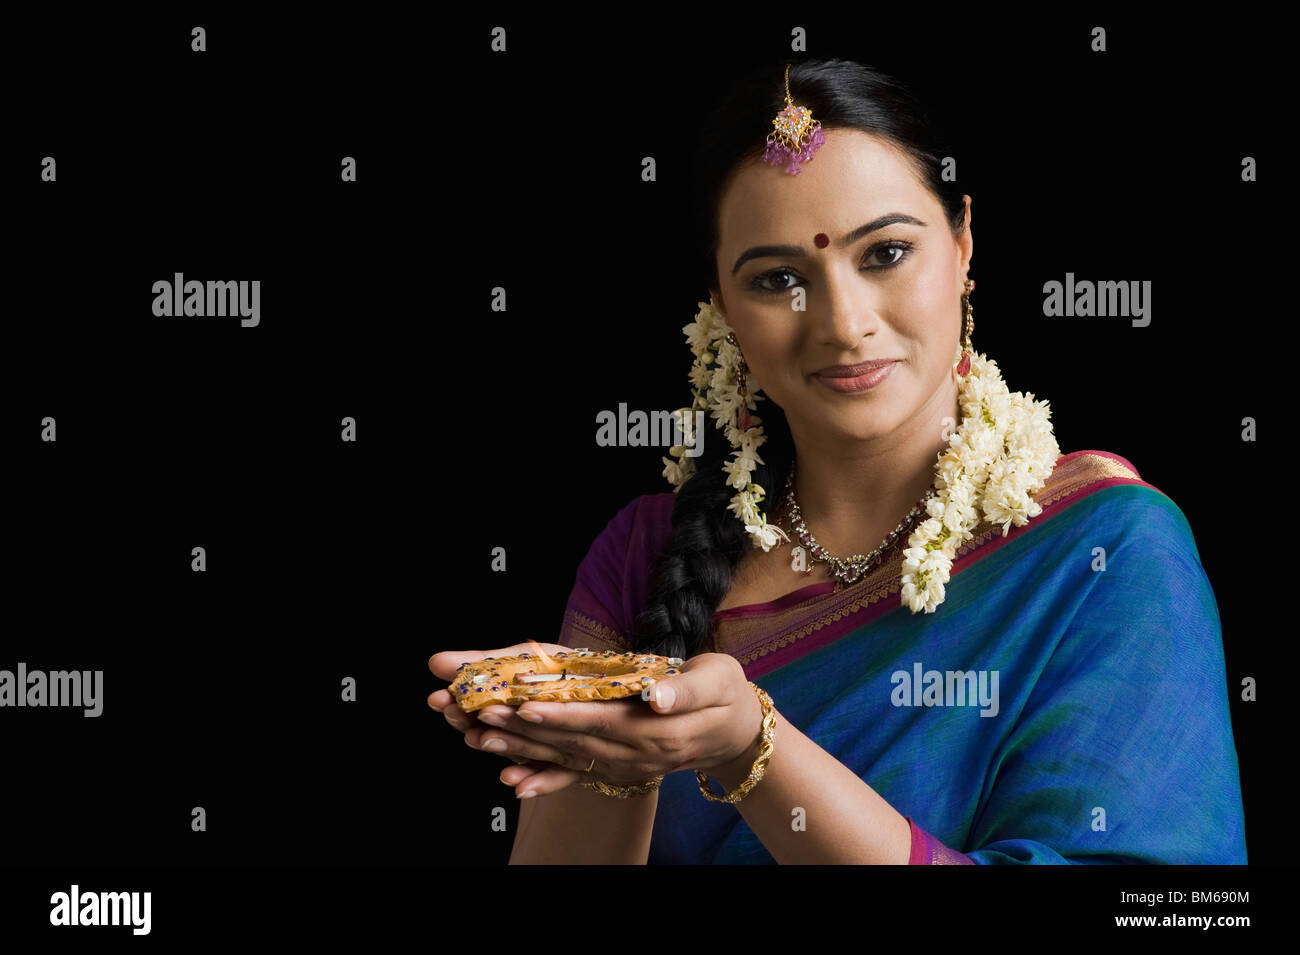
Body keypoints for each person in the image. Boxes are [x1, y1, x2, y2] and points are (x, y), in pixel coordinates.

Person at [428, 58, 1247, 864]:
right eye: (779, 277)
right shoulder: (645, 556)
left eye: (884, 253)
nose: (843, 321)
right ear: (720, 303)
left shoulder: (1104, 550)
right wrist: (603, 756)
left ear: (964, 244)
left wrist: (756, 748)